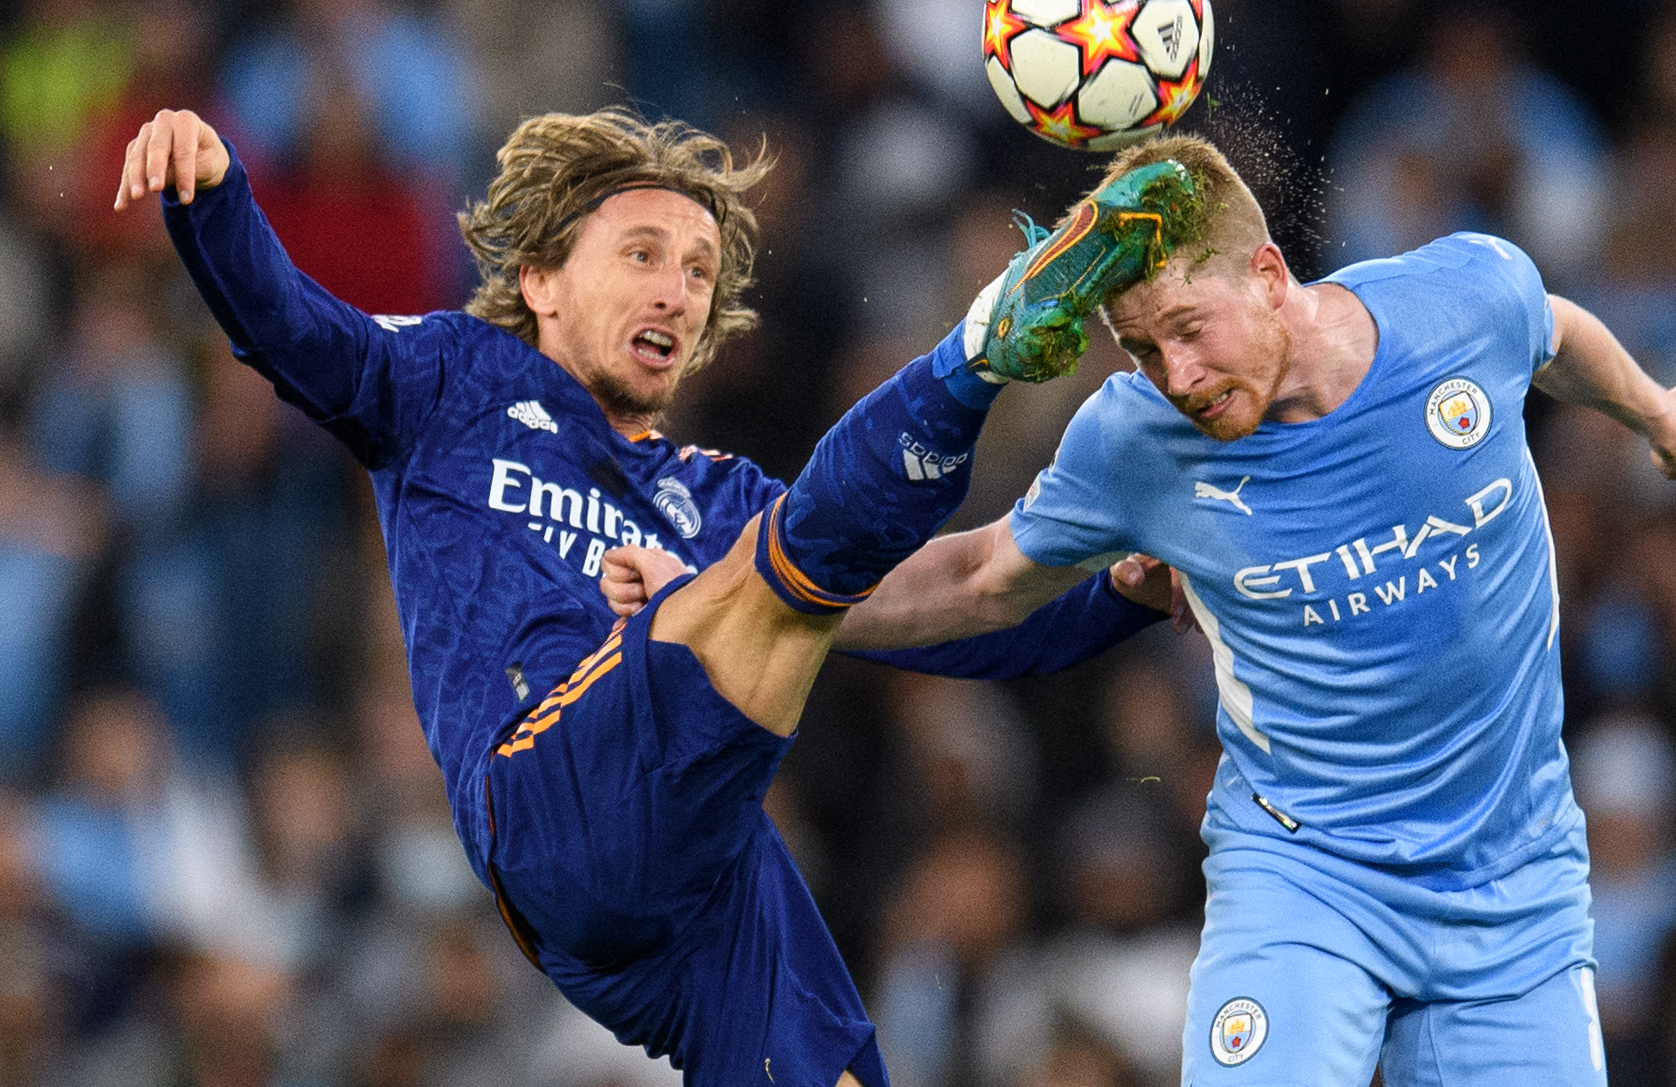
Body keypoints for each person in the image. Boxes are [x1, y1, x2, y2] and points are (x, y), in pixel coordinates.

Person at [113, 106, 1199, 1087]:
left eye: (697, 270)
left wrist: (1121, 596)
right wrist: (214, 200)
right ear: (540, 281)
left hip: (686, 893)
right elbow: (291, 326)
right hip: (548, 800)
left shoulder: (708, 496)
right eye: (641, 254)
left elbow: (952, 589)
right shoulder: (450, 383)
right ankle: (977, 352)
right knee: (778, 573)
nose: (677, 291)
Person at [796, 131, 1676, 1085]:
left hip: (1513, 888)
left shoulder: (1461, 299)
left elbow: (1555, 331)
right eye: (1143, 348)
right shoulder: (1137, 440)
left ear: (1270, 274)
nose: (1180, 376)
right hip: (1307, 881)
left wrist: (1659, 415)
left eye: (1191, 328)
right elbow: (978, 576)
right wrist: (772, 600)